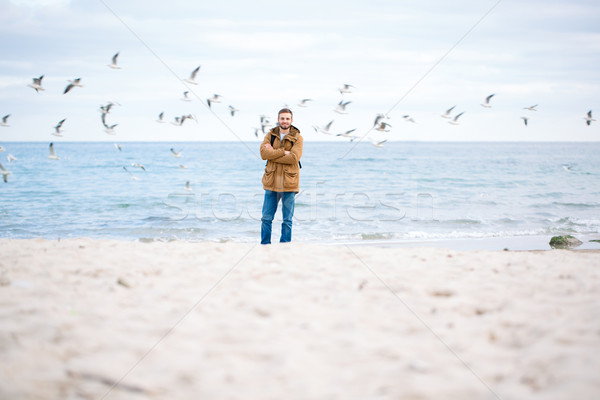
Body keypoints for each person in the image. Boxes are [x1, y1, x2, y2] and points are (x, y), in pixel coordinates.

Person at [259, 108, 303, 244]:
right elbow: (263, 154)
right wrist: (284, 152)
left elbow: (294, 158)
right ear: (278, 119)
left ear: (291, 120)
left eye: (287, 118)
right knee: (266, 218)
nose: (285, 121)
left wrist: (274, 153)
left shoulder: (298, 137)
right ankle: (265, 245)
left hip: (289, 183)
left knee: (287, 220)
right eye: (282, 118)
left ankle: (285, 246)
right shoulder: (270, 135)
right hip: (271, 181)